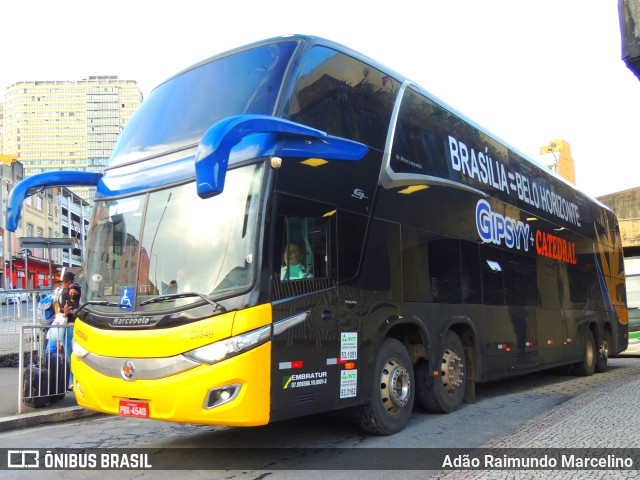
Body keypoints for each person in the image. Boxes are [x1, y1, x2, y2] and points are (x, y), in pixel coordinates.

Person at [59, 282, 81, 391]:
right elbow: (60, 317)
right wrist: (65, 313)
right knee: (68, 356)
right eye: (71, 293)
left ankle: (78, 380)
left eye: (75, 293)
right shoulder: (65, 302)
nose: (73, 295)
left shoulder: (82, 304)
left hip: (79, 330)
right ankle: (71, 382)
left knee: (78, 356)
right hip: (67, 330)